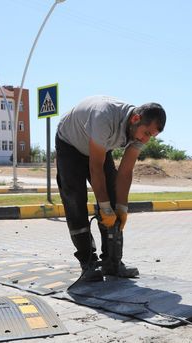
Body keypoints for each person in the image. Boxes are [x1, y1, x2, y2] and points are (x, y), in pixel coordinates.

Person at [55, 96, 166, 281]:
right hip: (70, 145)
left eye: (151, 137)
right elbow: (95, 168)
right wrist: (104, 208)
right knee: (75, 201)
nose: (146, 140)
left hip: (99, 147)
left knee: (113, 198)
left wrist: (121, 207)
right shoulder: (104, 117)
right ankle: (87, 262)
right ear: (135, 119)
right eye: (146, 133)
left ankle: (112, 263)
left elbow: (125, 172)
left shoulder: (140, 132)